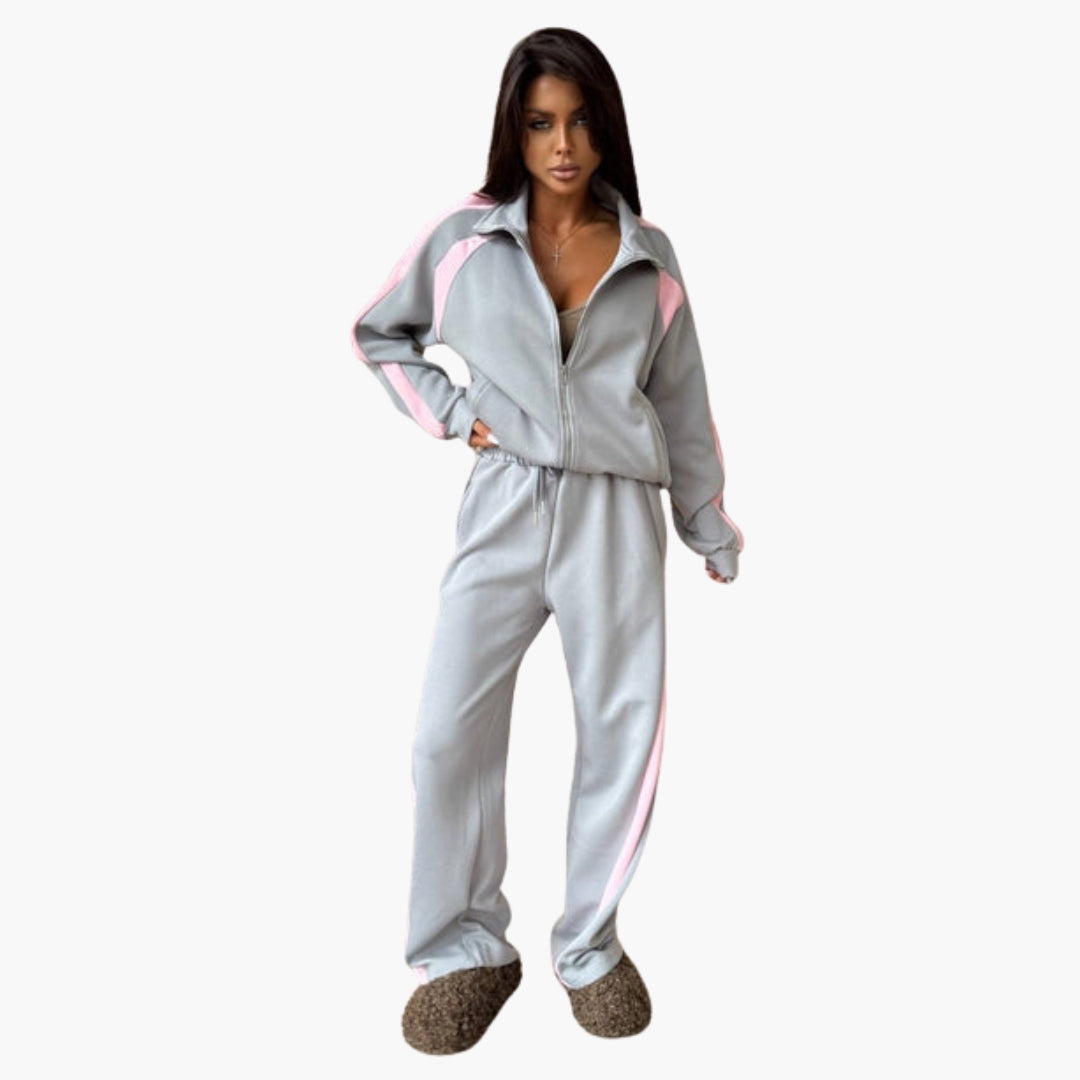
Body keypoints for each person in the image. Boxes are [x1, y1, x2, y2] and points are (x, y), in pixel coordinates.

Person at [350, 27, 744, 1054]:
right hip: (504, 499)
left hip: (616, 512)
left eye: (578, 122)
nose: (561, 145)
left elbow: (683, 402)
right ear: (513, 132)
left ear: (606, 128)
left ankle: (588, 946)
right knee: (446, 731)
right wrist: (452, 412)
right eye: (539, 123)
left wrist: (705, 522)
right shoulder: (465, 238)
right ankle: (464, 950)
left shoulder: (651, 256)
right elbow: (379, 333)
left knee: (621, 729)